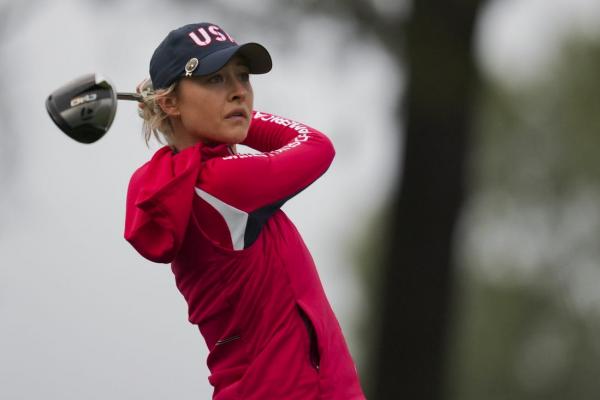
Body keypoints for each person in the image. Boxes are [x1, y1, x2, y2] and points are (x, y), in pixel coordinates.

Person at [124, 22, 365, 400]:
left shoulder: (188, 182)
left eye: (243, 78)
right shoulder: (222, 185)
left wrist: (221, 112)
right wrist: (244, 120)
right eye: (215, 80)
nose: (239, 92)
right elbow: (315, 145)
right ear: (170, 102)